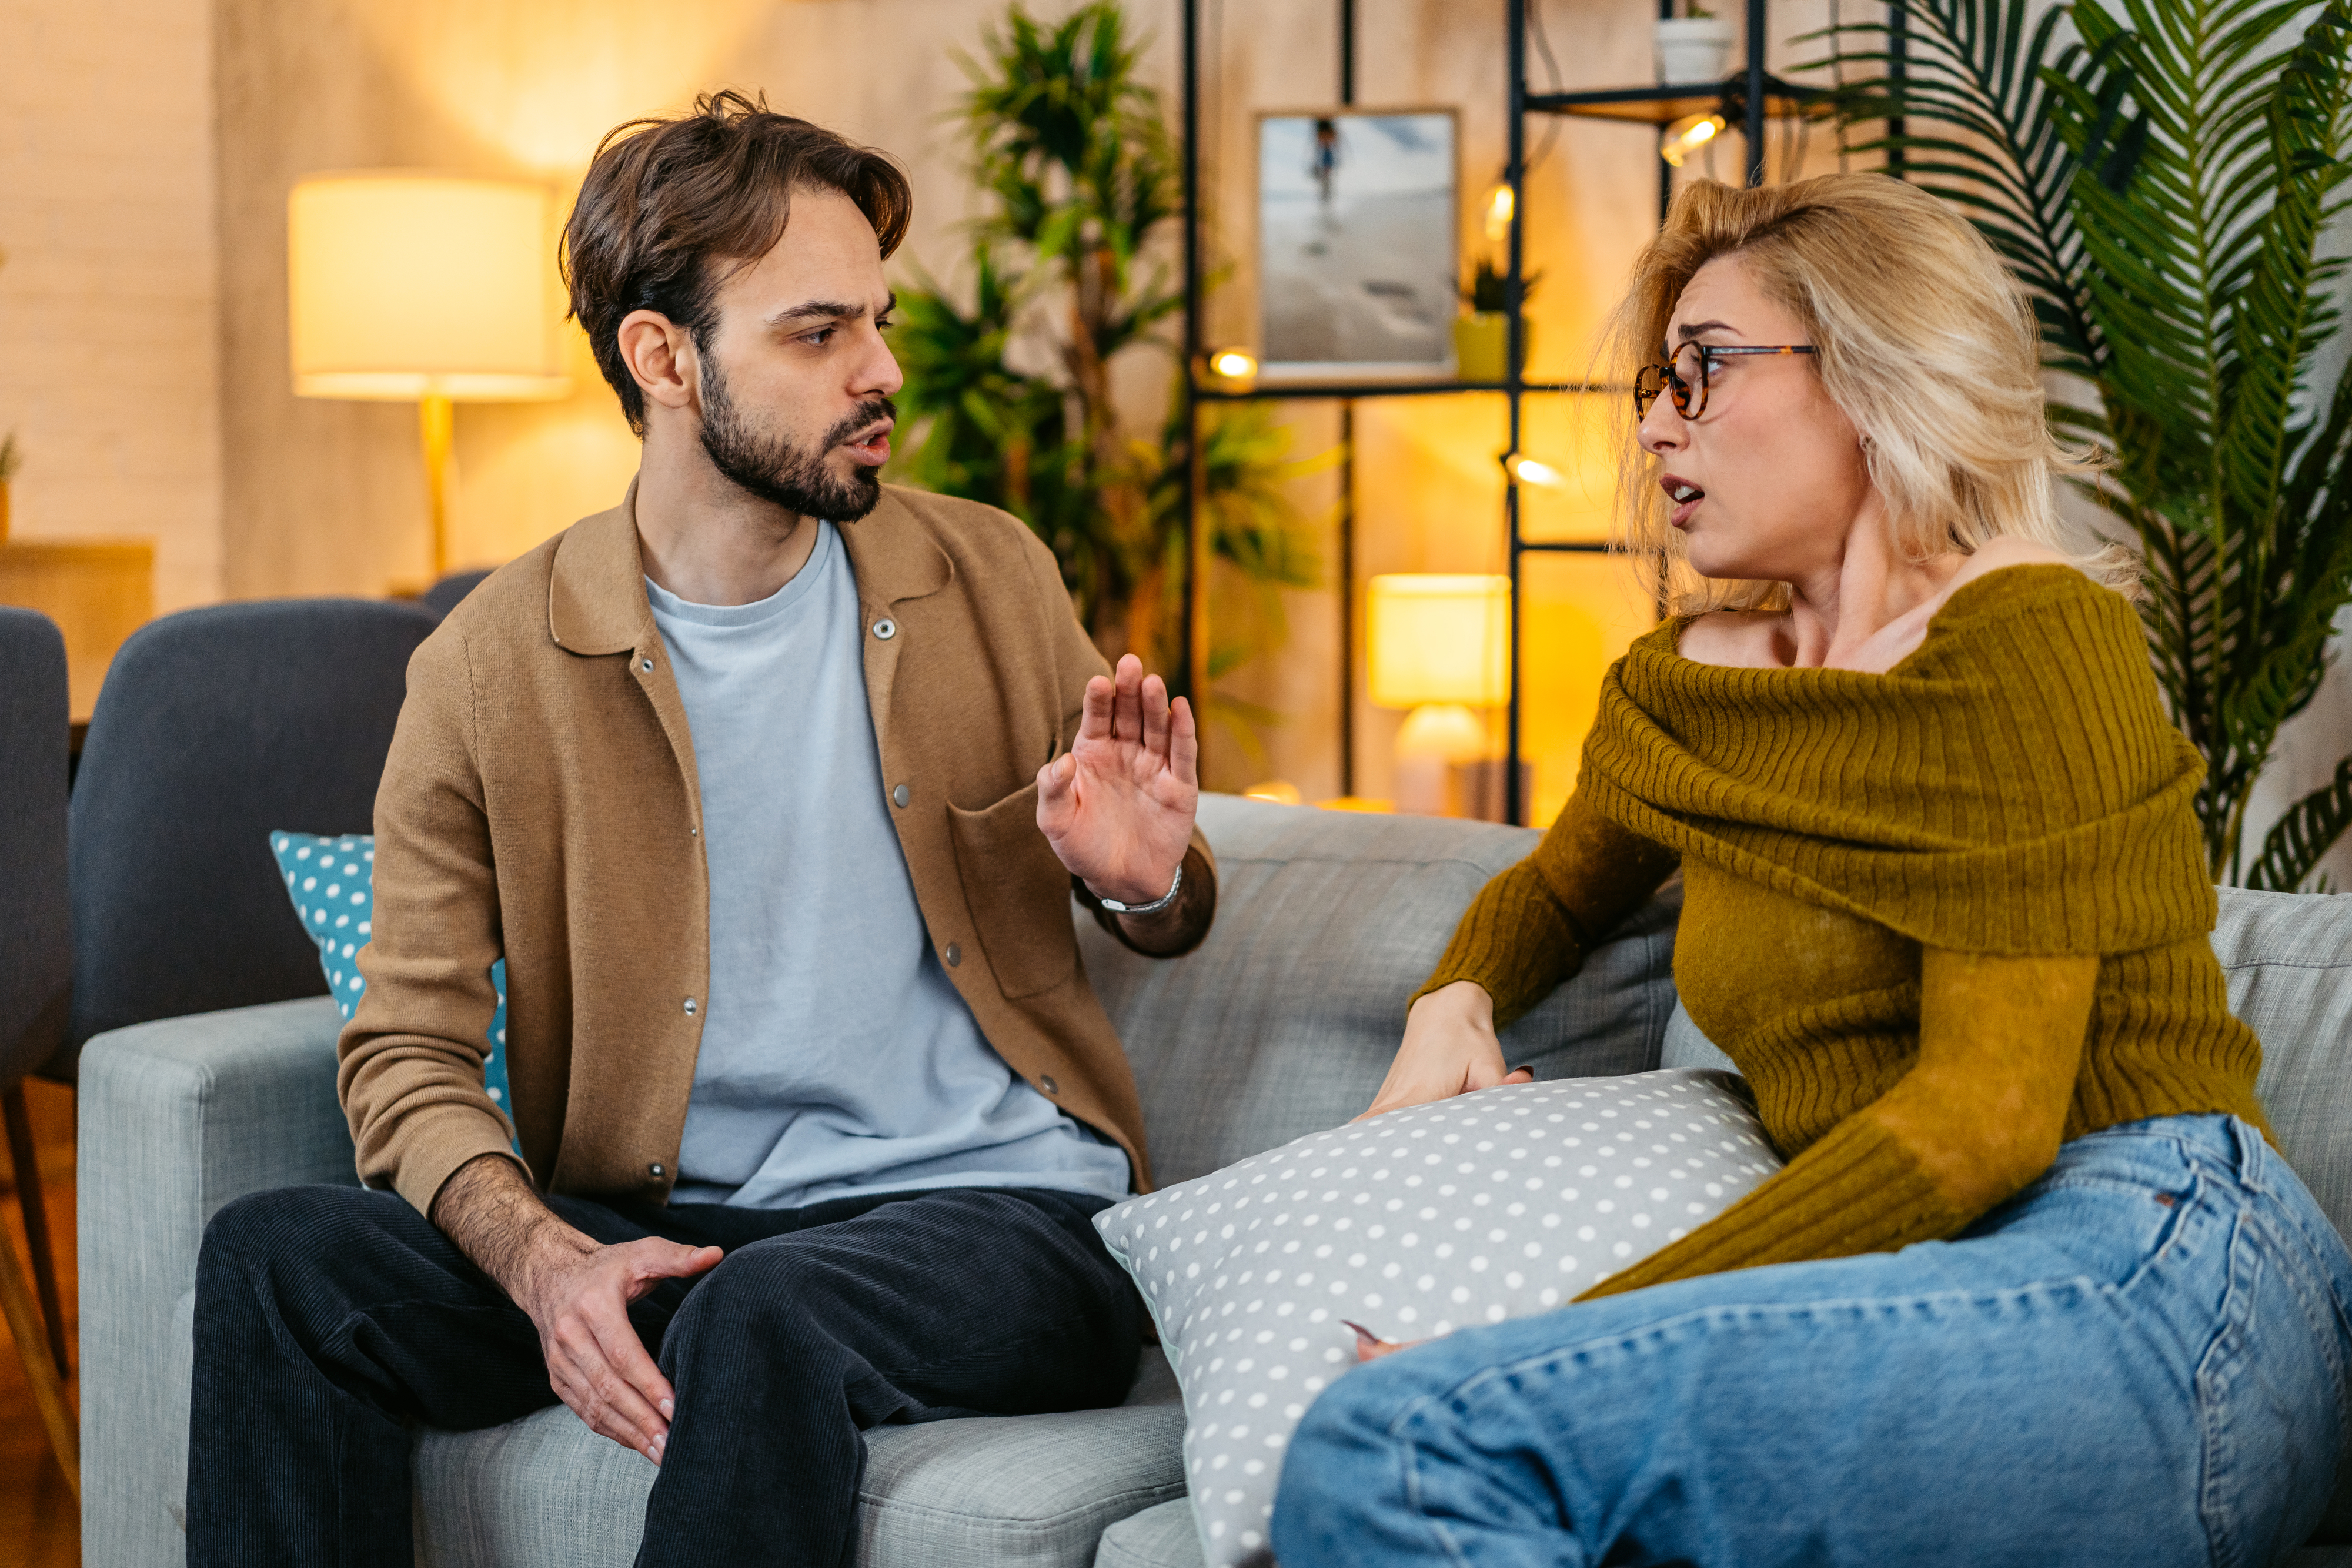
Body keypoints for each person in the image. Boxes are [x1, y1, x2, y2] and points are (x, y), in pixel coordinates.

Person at [186, 92, 1216, 1568]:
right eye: (816, 334)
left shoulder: (988, 574)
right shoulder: (486, 668)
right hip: (674, 1223)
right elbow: (406, 1054)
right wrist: (547, 1261)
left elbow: (1163, 894)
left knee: (765, 1310)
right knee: (279, 1260)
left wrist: (1136, 884)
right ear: (660, 357)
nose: (881, 371)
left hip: (994, 1224)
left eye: (877, 318)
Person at [1273, 172, 2352, 1566]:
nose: (1656, 419)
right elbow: (1551, 892)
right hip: (1915, 1289)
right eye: (1658, 379)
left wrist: (1555, 1341)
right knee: (1415, 1450)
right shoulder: (1679, 694)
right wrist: (1456, 995)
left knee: (1406, 1432)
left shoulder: (2028, 637)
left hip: (2160, 1253)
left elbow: (1980, 1122)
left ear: (1868, 372)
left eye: (1705, 370)